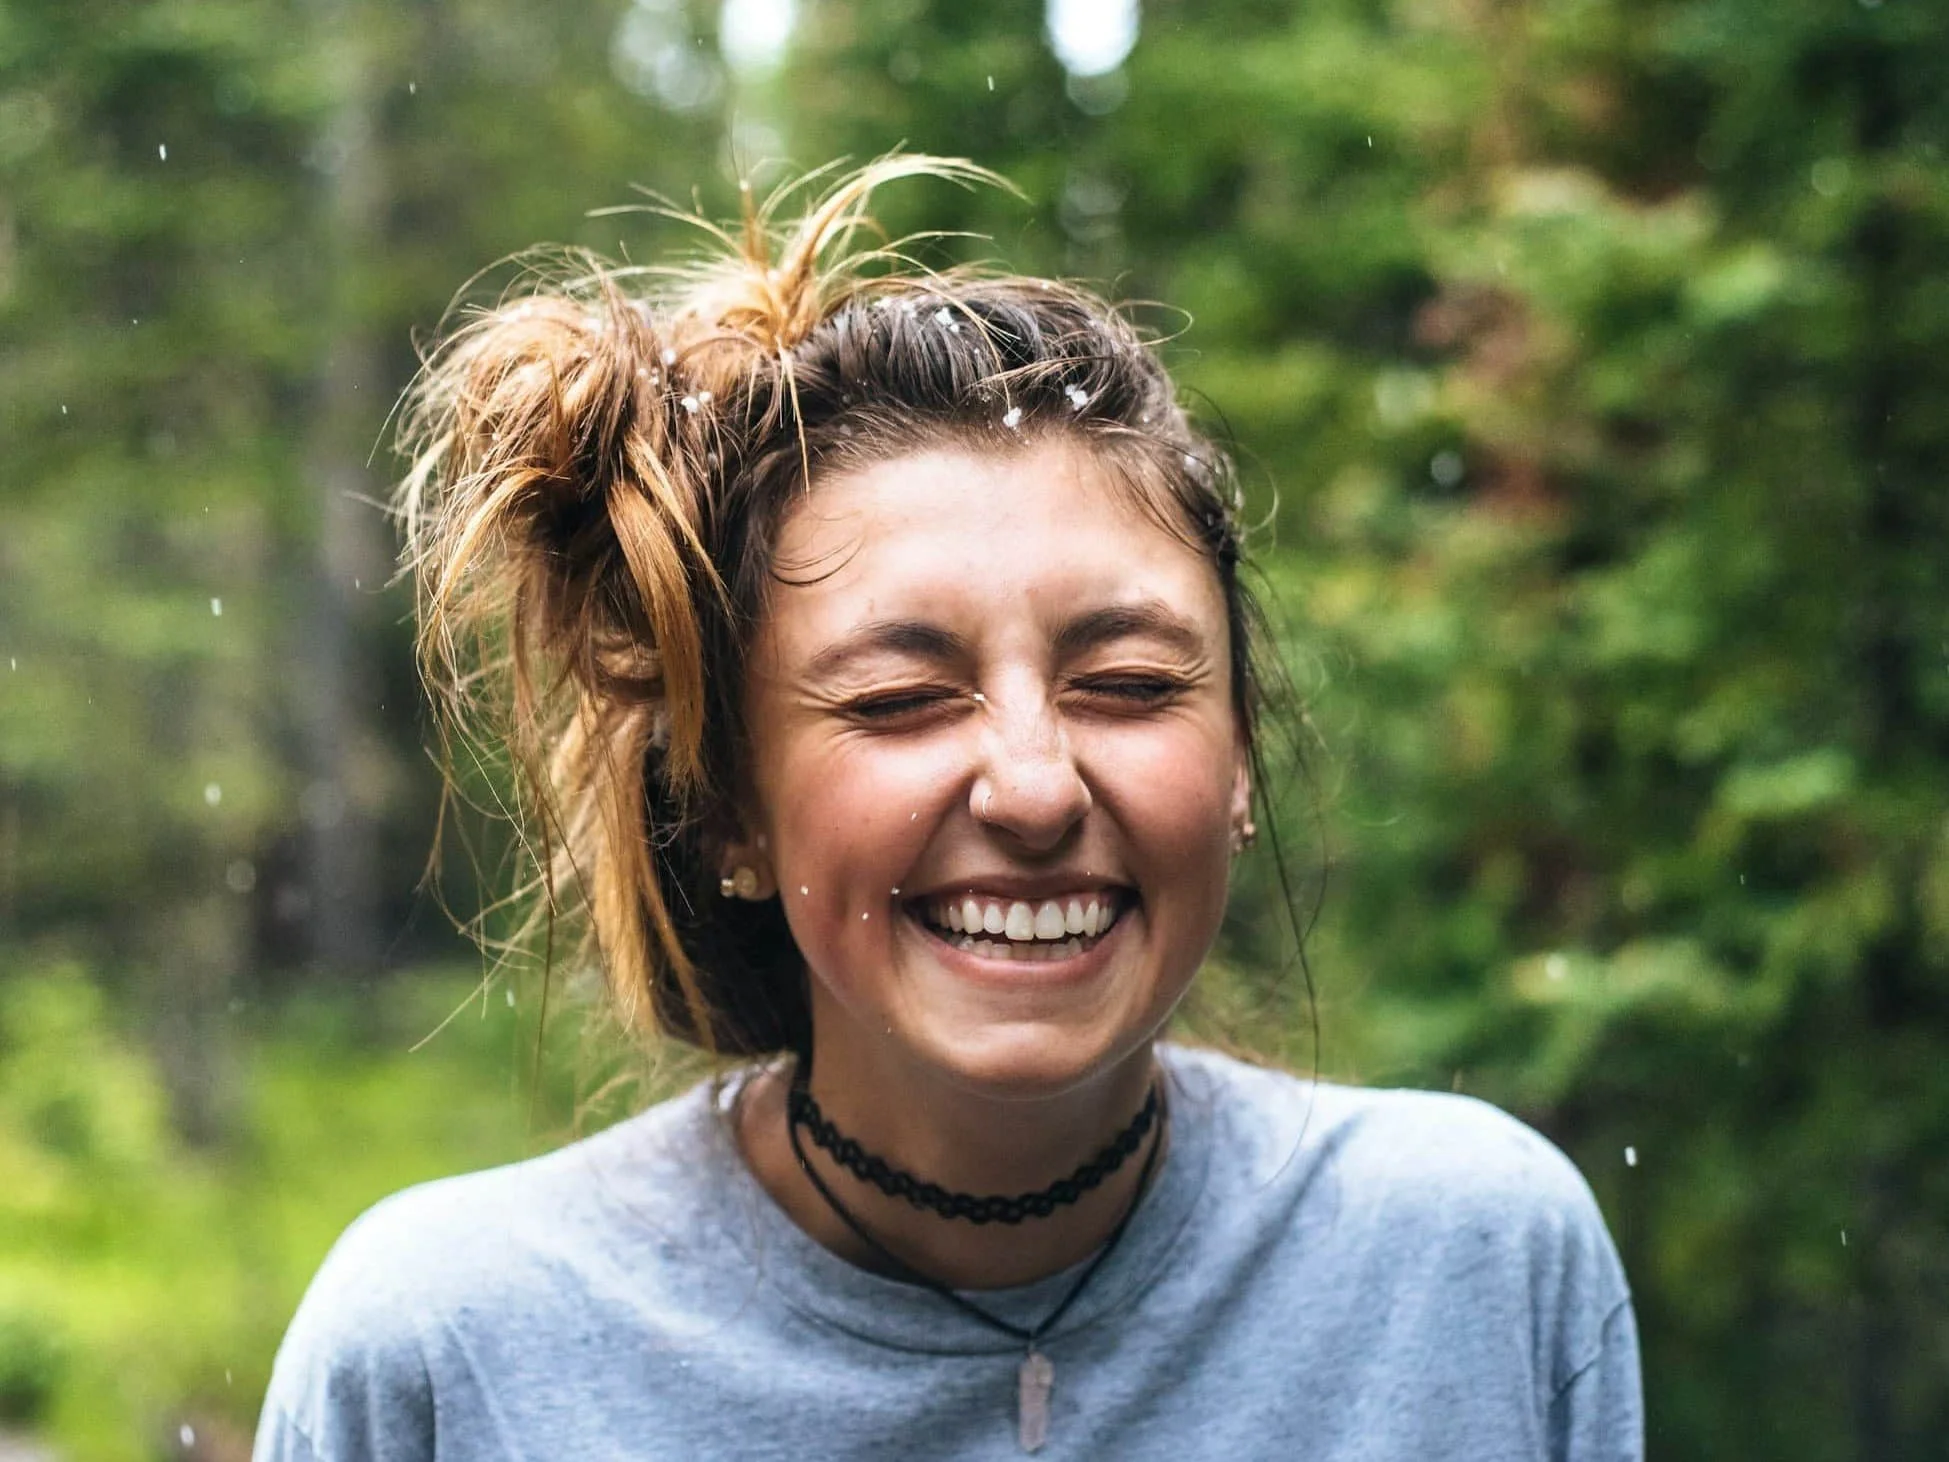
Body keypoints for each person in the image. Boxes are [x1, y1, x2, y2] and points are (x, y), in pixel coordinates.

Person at [253, 155, 1642, 1461]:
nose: (1033, 786)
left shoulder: (1473, 1268)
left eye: (1129, 682)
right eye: (899, 700)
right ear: (731, 806)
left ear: (1236, 769)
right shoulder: (453, 1354)